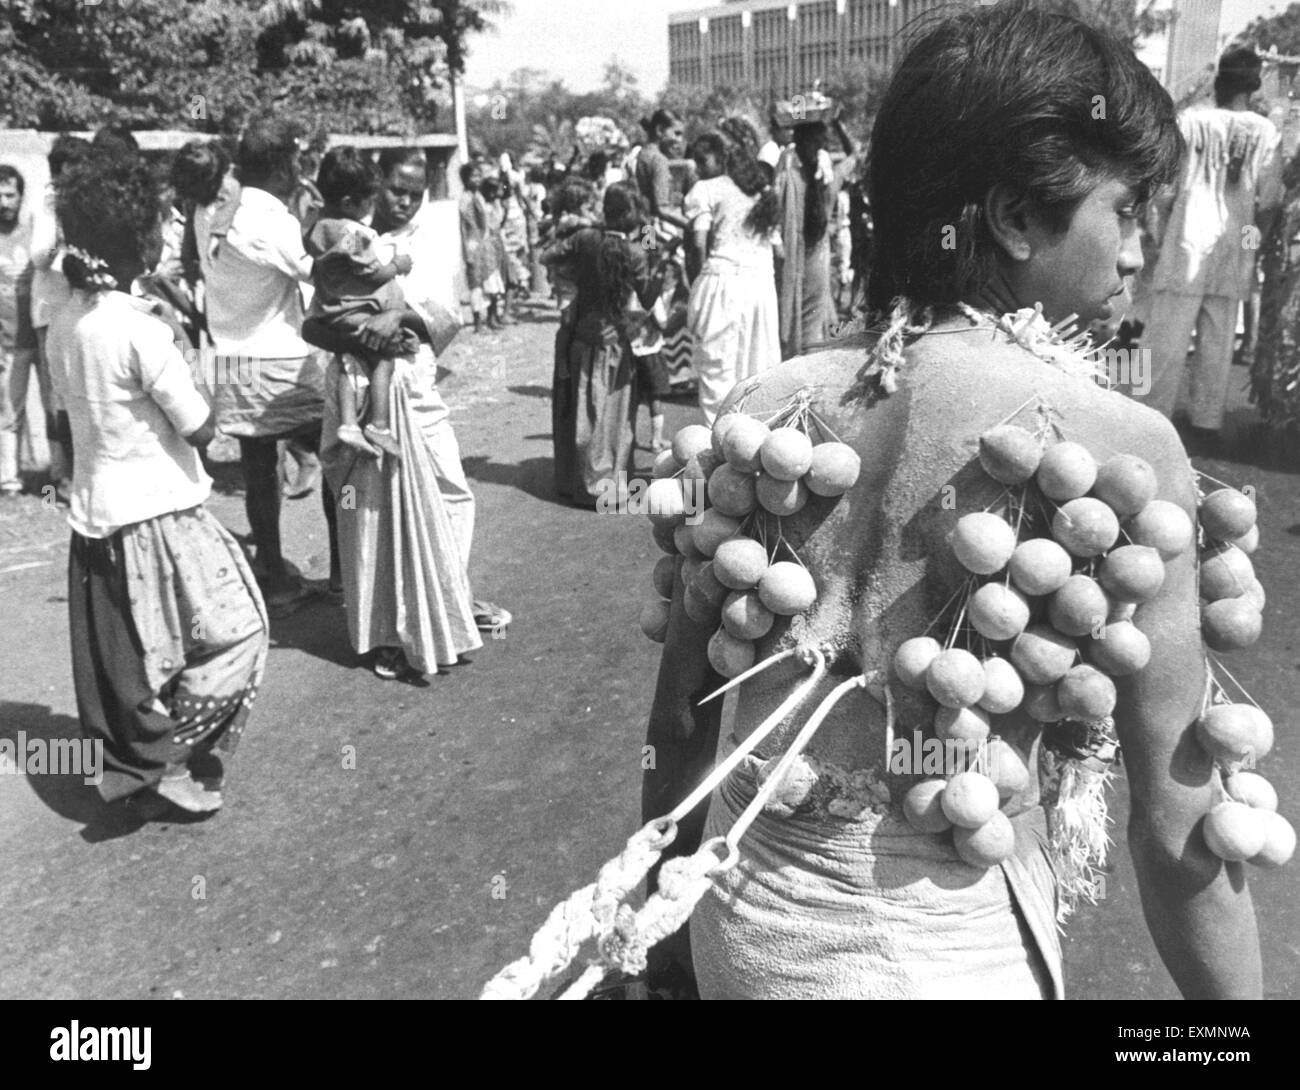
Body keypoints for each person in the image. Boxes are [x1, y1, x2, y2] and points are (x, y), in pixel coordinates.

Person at [644, 1, 1261, 1001]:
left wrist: (660, 948)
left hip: (740, 927)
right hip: (931, 962)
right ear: (1015, 215)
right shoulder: (1118, 441)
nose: (1139, 252)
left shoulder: (765, 405)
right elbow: (1182, 820)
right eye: (1125, 211)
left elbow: (678, 721)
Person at [46, 149, 268, 815]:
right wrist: (201, 359)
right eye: (160, 225)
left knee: (142, 653)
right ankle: (161, 761)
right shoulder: (141, 331)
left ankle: (143, 761)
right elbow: (202, 428)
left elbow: (64, 419)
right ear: (141, 237)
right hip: (162, 517)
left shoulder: (64, 321)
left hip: (97, 518)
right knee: (238, 634)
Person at [314, 148, 509, 679]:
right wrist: (356, 331)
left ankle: (442, 601)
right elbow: (314, 320)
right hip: (360, 385)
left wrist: (399, 314)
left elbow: (447, 317)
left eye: (415, 192)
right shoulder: (344, 238)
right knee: (373, 513)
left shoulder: (426, 244)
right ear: (374, 188)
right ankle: (386, 632)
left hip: (415, 386)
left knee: (450, 492)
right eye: (396, 189)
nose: (404, 200)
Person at [196, 116, 339, 616]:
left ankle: (274, 573)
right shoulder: (269, 218)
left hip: (230, 358)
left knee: (258, 469)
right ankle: (343, 570)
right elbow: (315, 271)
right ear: (286, 163)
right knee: (334, 451)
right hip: (278, 359)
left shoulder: (213, 207)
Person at [1144, 47, 1284, 447]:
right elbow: (1269, 199)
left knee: (1165, 334)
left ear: (1220, 80)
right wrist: (1252, 245)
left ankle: (1152, 414)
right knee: (1219, 339)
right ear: (1254, 86)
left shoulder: (1190, 121)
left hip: (1187, 239)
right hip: (1235, 244)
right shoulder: (1266, 132)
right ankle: (1207, 420)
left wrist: (1159, 235)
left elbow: (1165, 189)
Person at [542, 182, 658, 505]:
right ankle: (608, 485)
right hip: (614, 343)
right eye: (638, 212)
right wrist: (656, 252)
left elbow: (547, 255)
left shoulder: (584, 239)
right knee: (613, 415)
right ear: (627, 215)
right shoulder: (635, 252)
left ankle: (578, 483)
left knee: (584, 411)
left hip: (581, 337)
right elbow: (648, 293)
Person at [304, 145, 416, 459]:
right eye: (368, 200)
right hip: (355, 311)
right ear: (349, 202)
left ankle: (350, 424)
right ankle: (378, 425)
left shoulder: (319, 227)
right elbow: (372, 275)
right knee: (383, 359)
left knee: (346, 358)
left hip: (332, 313)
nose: (372, 206)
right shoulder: (354, 234)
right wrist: (398, 266)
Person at [683, 132, 781, 424]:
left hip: (721, 278)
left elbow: (696, 240)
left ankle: (716, 449)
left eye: (702, 161)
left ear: (720, 158)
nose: (698, 168)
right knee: (756, 367)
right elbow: (781, 251)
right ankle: (751, 447)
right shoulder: (762, 192)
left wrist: (697, 276)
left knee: (718, 370)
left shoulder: (706, 188)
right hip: (760, 284)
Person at [773, 105, 859, 359]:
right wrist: (838, 124)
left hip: (791, 265)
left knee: (795, 324)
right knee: (816, 325)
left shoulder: (787, 178)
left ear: (796, 146)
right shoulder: (829, 183)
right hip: (819, 267)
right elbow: (855, 154)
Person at [0, 163, 38, 498]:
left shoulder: (35, 233)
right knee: (10, 409)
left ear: (21, 196)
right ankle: (10, 477)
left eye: (10, 194)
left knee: (59, 404)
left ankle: (59, 473)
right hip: (9, 342)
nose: (4, 202)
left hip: (42, 332)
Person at [458, 161, 500, 333]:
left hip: (486, 243)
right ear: (465, 179)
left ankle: (492, 317)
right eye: (473, 176)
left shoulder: (480, 196)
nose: (477, 179)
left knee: (492, 282)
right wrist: (467, 251)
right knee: (476, 285)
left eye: (478, 175)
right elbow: (465, 227)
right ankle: (478, 323)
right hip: (474, 245)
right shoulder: (466, 199)